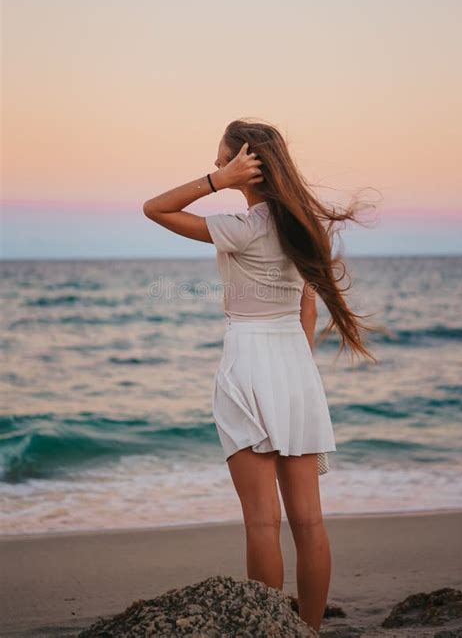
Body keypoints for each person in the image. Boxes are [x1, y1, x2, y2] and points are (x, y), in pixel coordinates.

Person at [143, 118, 378, 633]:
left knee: (263, 523)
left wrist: (217, 184)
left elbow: (154, 208)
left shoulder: (243, 227)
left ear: (247, 165)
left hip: (248, 364)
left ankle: (272, 632)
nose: (216, 166)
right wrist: (295, 360)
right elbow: (308, 308)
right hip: (295, 367)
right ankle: (310, 632)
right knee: (310, 521)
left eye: (224, 159)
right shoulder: (302, 228)